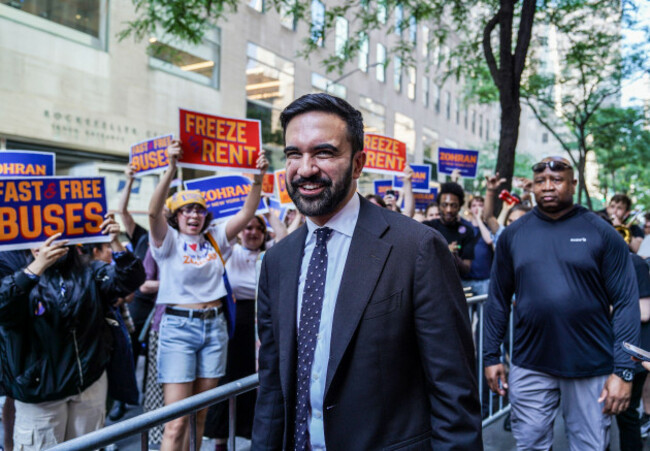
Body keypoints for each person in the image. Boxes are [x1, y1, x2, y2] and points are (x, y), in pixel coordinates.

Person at [252, 93, 482, 449]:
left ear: (358, 164)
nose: (306, 168)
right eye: (294, 154)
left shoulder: (416, 248)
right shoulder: (277, 261)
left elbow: (454, 392)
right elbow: (272, 388)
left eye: (324, 152)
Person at [484, 156, 640, 450]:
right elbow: (497, 300)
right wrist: (491, 356)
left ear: (573, 184)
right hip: (531, 362)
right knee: (530, 444)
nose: (547, 187)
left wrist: (622, 371)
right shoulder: (514, 235)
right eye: (541, 181)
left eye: (556, 180)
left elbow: (626, 303)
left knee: (589, 446)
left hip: (590, 364)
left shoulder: (602, 232)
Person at [148, 139, 268, 451]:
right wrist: (170, 169)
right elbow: (151, 212)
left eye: (199, 210)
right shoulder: (168, 241)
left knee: (200, 415)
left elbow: (247, 211)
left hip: (214, 329)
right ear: (176, 216)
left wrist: (257, 179)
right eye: (186, 209)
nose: (193, 215)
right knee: (175, 422)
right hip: (178, 330)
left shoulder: (216, 239)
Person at [0, 217, 145, 449]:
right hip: (41, 393)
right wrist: (37, 267)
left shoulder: (86, 267)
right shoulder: (11, 266)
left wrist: (115, 242)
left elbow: (131, 279)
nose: (48, 240)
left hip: (88, 384)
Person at [205, 213, 288, 449]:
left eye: (258, 229)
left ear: (264, 233)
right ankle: (220, 439)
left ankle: (256, 436)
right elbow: (222, 232)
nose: (252, 232)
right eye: (247, 228)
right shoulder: (230, 251)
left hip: (262, 320)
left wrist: (269, 210)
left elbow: (283, 236)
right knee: (227, 378)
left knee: (261, 378)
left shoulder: (271, 252)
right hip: (234, 320)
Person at [423, 182, 475, 276]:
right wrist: (445, 251)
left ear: (459, 207)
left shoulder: (467, 231)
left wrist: (454, 256)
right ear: (439, 206)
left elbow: (466, 269)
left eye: (453, 205)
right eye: (444, 205)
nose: (449, 210)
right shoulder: (427, 227)